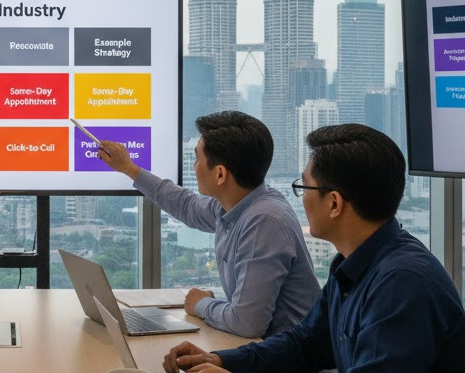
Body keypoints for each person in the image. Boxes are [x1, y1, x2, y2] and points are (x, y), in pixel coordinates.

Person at [165, 124, 465, 373]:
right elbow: (306, 344)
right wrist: (222, 361)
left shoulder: (404, 283)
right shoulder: (355, 261)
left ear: (334, 203)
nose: (301, 198)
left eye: (304, 187)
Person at [99, 111, 319, 338]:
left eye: (197, 159)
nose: (194, 166)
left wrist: (202, 304)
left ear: (220, 174)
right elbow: (187, 206)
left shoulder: (263, 221)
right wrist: (129, 169)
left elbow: (247, 323)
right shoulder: (237, 204)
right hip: (264, 351)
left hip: (298, 370)